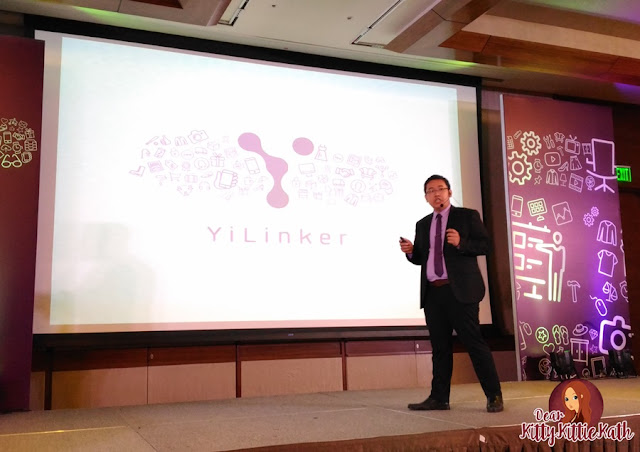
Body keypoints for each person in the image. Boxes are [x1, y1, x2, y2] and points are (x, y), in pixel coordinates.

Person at [399, 174, 503, 413]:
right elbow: (421, 258)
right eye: (430, 191)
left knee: (474, 343)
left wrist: (460, 243)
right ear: (426, 197)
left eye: (440, 189)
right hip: (433, 294)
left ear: (449, 192)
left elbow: (485, 246)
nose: (436, 194)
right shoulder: (423, 224)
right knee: (440, 348)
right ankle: (439, 398)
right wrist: (411, 252)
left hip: (461, 292)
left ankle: (494, 395)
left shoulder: (466, 216)